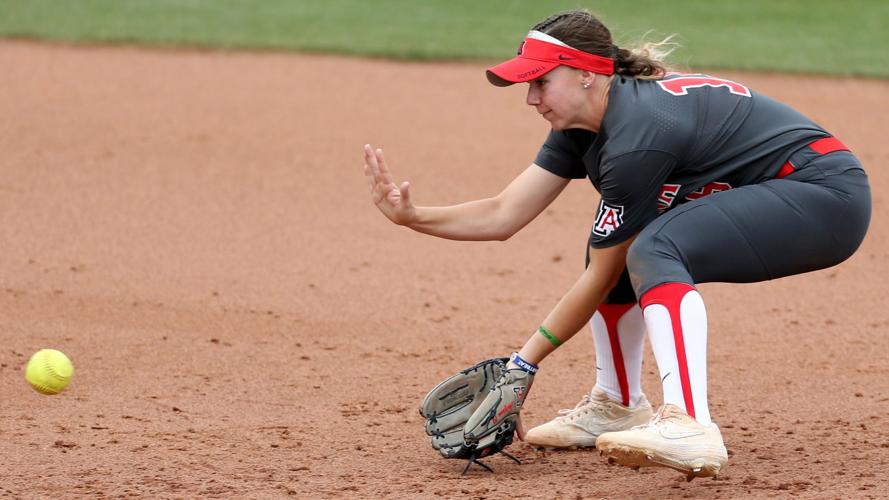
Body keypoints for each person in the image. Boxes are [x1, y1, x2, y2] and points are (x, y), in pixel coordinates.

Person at [363, 9, 870, 480]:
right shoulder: (583, 123)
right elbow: (504, 213)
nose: (531, 98)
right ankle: (618, 402)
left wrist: (523, 363)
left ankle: (691, 422)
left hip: (824, 197)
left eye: (541, 82)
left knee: (653, 246)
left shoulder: (639, 134)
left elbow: (603, 274)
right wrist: (412, 217)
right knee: (613, 243)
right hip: (792, 190)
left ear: (586, 73)